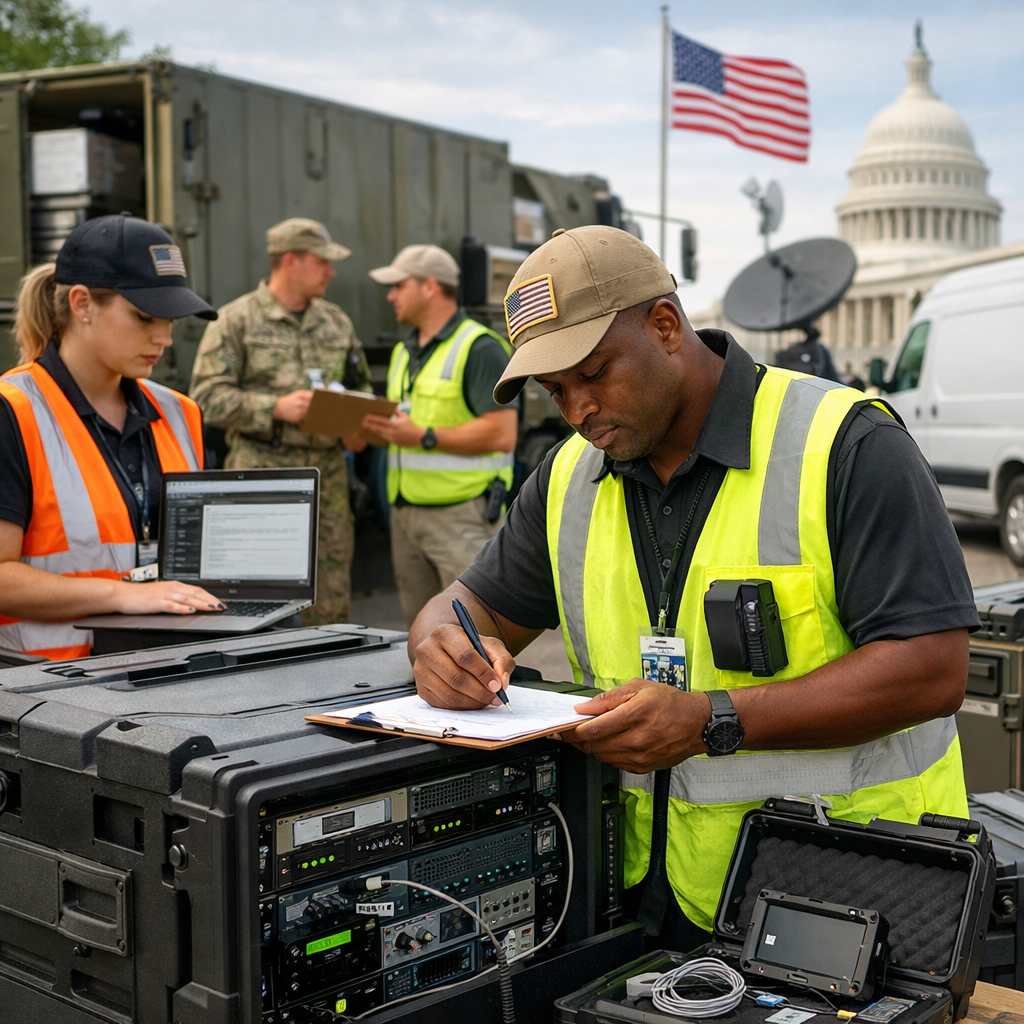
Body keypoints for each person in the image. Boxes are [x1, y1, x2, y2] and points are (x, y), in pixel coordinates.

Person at [405, 226, 979, 950]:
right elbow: (468, 605)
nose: (578, 410)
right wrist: (438, 645)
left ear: (665, 326)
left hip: (849, 897)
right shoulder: (567, 479)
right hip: (641, 899)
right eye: (556, 392)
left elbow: (931, 669)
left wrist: (711, 720)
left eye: (594, 373)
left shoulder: (846, 444)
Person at [0, 213, 224, 660]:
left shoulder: (181, 413)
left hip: (166, 667)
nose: (164, 338)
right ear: (82, 303)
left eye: (170, 319)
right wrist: (123, 594)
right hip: (48, 685)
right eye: (145, 317)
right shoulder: (13, 411)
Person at [189, 218, 371, 626]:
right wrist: (274, 407)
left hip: (328, 479)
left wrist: (358, 430)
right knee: (259, 594)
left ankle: (332, 660)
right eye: (322, 262)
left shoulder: (336, 322)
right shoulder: (235, 320)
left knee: (330, 595)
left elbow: (358, 389)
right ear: (291, 261)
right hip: (261, 475)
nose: (331, 271)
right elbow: (204, 398)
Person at [362, 245, 519, 626]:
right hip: (406, 516)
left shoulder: (480, 348)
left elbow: (502, 435)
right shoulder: (403, 352)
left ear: (430, 287)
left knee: (477, 632)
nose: (391, 296)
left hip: (460, 516)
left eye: (399, 286)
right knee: (424, 636)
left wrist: (423, 437)